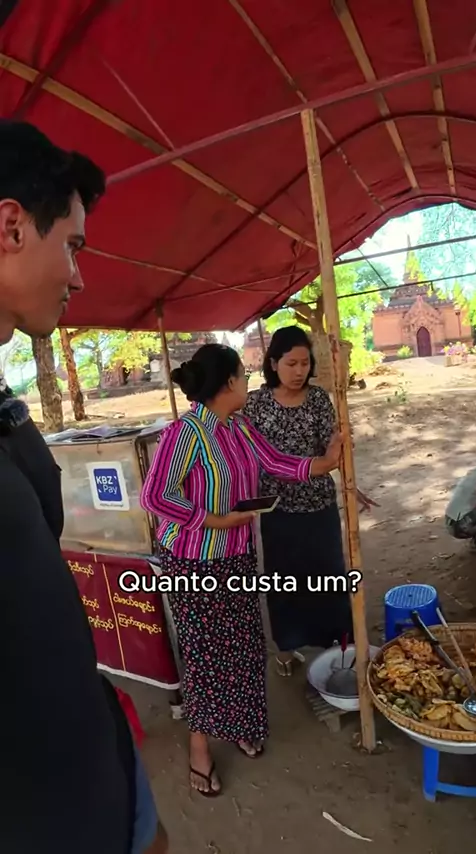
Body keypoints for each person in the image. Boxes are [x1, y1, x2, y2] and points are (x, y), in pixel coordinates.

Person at [0, 121, 166, 854]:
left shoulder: (6, 409)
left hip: (98, 767)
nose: (79, 277)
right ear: (11, 227)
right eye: (72, 246)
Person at [140, 342, 343, 796]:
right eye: (243, 376)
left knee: (245, 646)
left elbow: (275, 463)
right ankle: (199, 748)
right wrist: (214, 520)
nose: (249, 382)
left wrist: (324, 463)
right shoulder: (184, 434)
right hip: (193, 561)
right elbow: (155, 496)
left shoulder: (239, 426)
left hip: (237, 554)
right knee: (206, 654)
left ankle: (241, 725)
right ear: (228, 382)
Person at [244, 326, 366, 676]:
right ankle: (287, 647)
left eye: (304, 363)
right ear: (273, 364)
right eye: (291, 363)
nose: (299, 371)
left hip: (318, 506)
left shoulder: (318, 399)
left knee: (329, 576)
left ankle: (338, 644)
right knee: (284, 581)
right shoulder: (255, 403)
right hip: (277, 510)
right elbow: (249, 455)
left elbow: (333, 449)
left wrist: (351, 483)